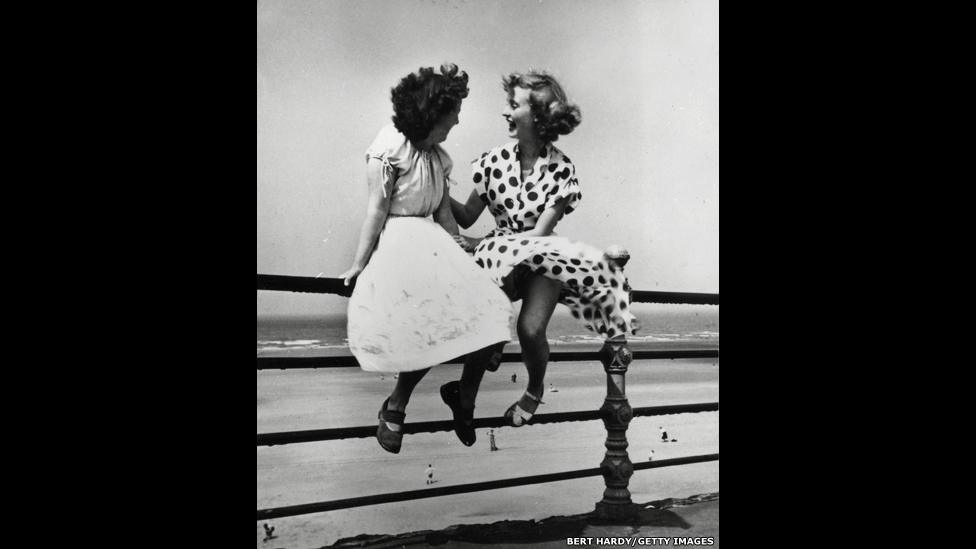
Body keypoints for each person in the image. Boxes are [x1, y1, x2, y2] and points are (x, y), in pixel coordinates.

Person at [449, 70, 640, 430]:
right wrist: (437, 186)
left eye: (513, 105)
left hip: (541, 259)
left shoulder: (561, 169)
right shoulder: (492, 162)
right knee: (485, 321)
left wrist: (479, 244)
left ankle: (534, 391)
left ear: (537, 118)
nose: (506, 111)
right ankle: (466, 397)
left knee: (531, 330)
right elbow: (468, 215)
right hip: (498, 258)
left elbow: (538, 234)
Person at [340, 63, 513, 454]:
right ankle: (397, 404)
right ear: (433, 113)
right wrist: (358, 263)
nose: (457, 119)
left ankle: (461, 395)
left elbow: (446, 216)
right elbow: (376, 211)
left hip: (434, 244)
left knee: (494, 308)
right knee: (429, 320)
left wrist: (465, 254)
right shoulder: (389, 149)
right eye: (453, 112)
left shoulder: (437, 158)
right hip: (401, 245)